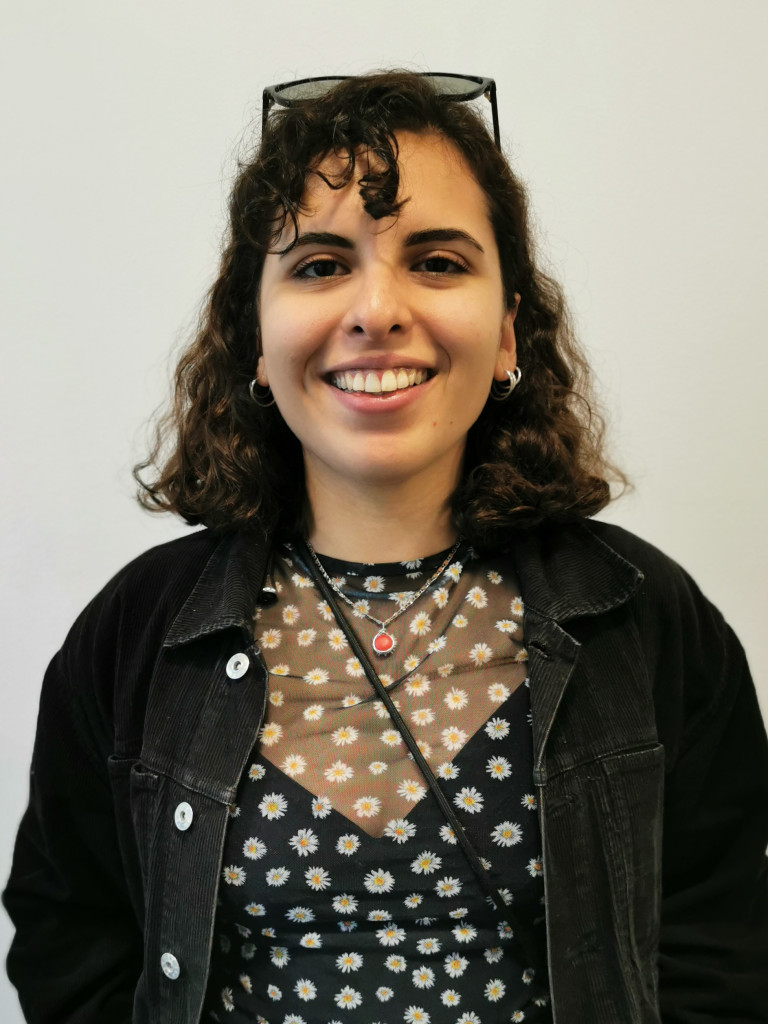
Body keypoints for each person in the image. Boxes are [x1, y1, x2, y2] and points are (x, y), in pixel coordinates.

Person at [3, 71, 767, 1024]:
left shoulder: (644, 618)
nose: (377, 309)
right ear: (254, 336)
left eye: (438, 262)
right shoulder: (137, 634)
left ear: (507, 333)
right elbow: (70, 938)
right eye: (320, 266)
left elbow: (723, 946)